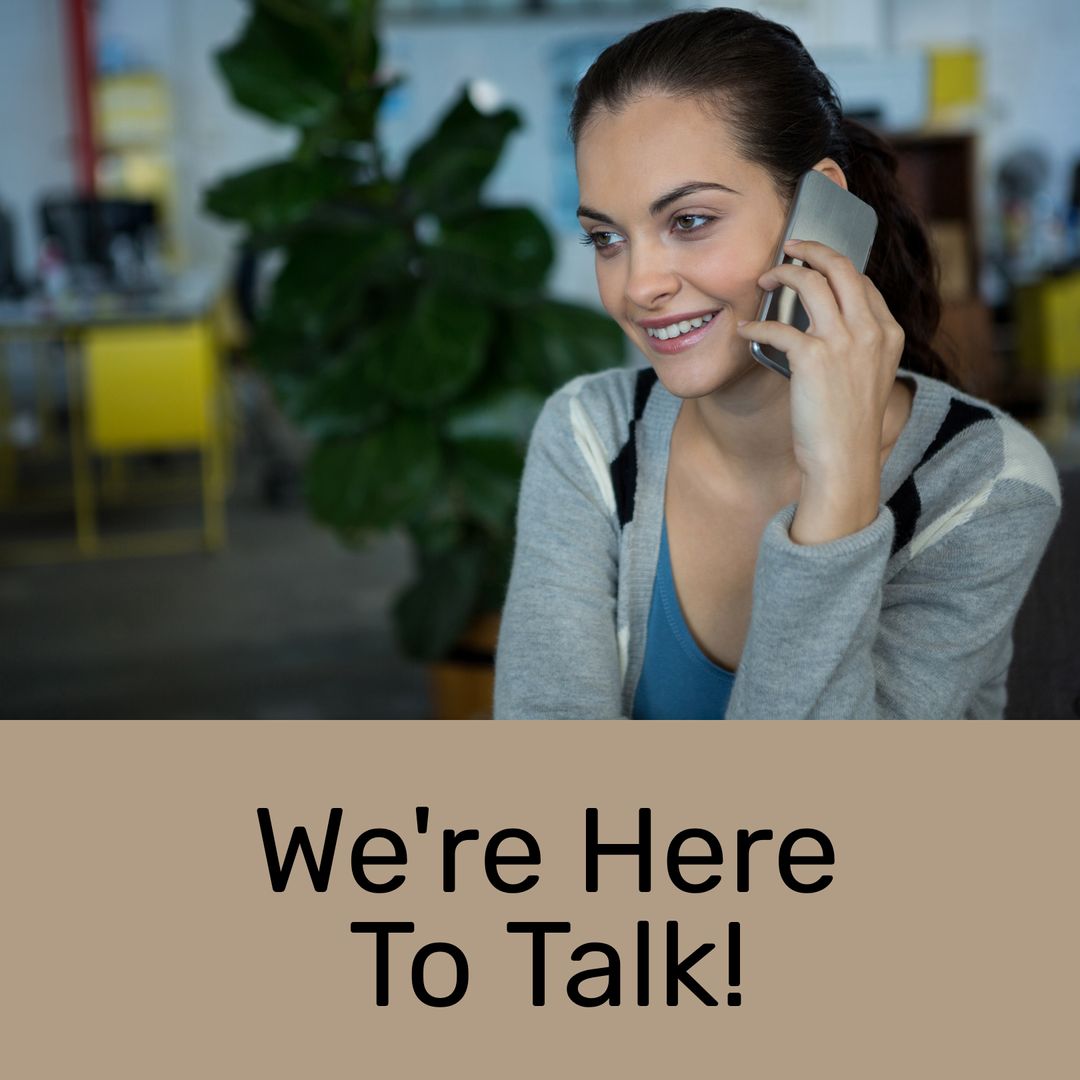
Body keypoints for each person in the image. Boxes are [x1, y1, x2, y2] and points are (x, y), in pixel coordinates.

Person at [493, 7, 1061, 719]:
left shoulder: (983, 482)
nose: (638, 286)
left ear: (819, 203)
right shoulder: (590, 434)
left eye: (689, 221)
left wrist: (840, 487)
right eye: (606, 239)